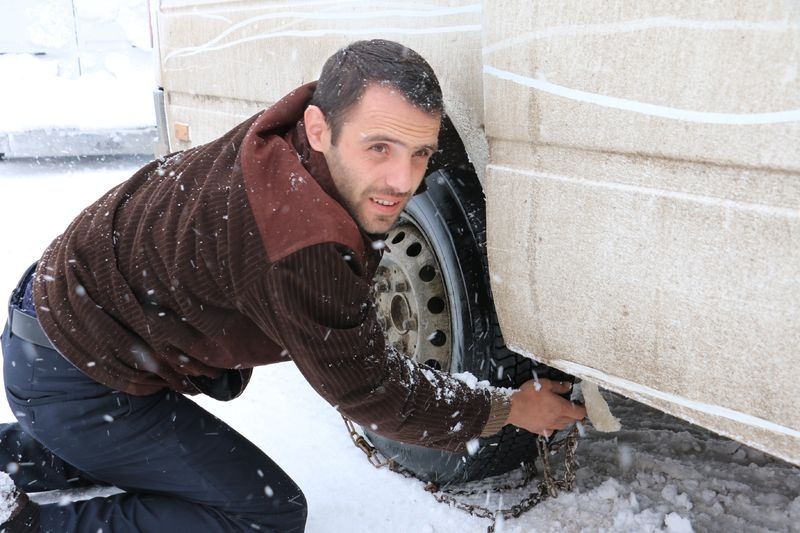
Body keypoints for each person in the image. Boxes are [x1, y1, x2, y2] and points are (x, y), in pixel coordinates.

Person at [0, 39, 586, 532]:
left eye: (421, 153)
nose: (402, 180)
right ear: (319, 126)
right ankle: (26, 521)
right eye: (379, 148)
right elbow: (372, 392)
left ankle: (18, 452)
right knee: (265, 513)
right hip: (77, 375)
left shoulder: (295, 139)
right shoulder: (300, 240)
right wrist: (507, 409)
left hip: (62, 331)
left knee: (138, 453)